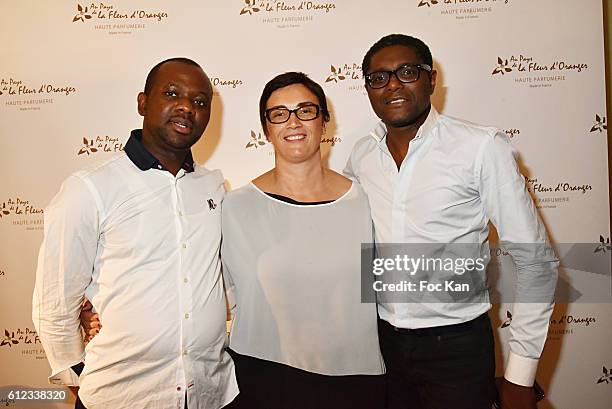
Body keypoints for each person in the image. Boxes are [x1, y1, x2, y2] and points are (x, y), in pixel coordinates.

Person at [345, 34, 559, 409]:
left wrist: (520, 378)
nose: (392, 84)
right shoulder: (362, 156)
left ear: (431, 79)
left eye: (406, 72)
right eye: (378, 77)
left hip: (457, 349)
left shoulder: (479, 147)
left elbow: (536, 262)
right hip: (381, 347)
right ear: (367, 90)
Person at [32, 58, 238, 409]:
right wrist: (78, 374)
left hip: (210, 392)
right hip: (121, 397)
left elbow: (224, 282)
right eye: (172, 93)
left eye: (200, 101)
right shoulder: (91, 188)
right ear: (143, 102)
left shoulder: (215, 187)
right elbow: (54, 301)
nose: (187, 107)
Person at [221, 72, 385, 409]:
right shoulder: (235, 206)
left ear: (325, 121)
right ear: (266, 129)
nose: (293, 122)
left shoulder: (365, 200)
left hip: (356, 381)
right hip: (264, 378)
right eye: (279, 114)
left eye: (306, 110)